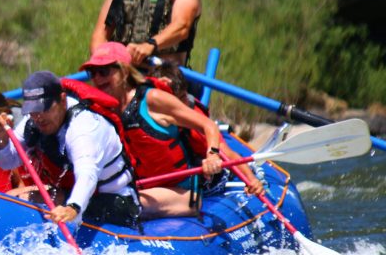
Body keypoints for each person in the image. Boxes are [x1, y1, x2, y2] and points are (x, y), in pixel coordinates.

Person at [80, 42, 264, 218]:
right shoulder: (103, 110)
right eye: (92, 73)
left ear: (124, 70)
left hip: (183, 192)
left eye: (103, 71)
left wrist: (213, 154)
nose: (97, 79)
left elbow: (208, 125)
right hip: (147, 188)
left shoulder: (153, 99)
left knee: (120, 204)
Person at [0, 71, 141, 227]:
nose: (39, 117)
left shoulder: (84, 126)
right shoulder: (34, 120)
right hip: (71, 194)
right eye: (33, 110)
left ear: (62, 100)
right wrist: (2, 139)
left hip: (116, 202)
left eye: (45, 109)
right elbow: (7, 162)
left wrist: (73, 207)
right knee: (13, 197)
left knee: (22, 199)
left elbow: (87, 172)